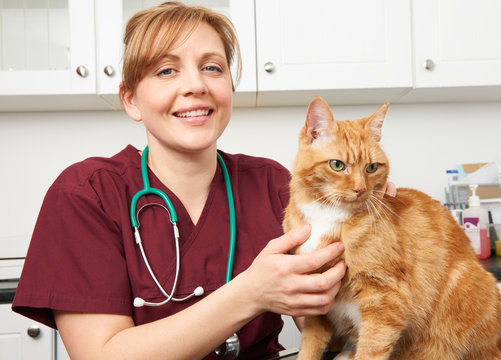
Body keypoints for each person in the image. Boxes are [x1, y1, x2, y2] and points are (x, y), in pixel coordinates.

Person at [12, 2, 395, 359]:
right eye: (166, 70)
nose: (196, 85)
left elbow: (328, 312)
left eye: (212, 68)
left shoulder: (274, 184)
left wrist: (374, 227)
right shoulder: (86, 193)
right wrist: (250, 293)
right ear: (131, 100)